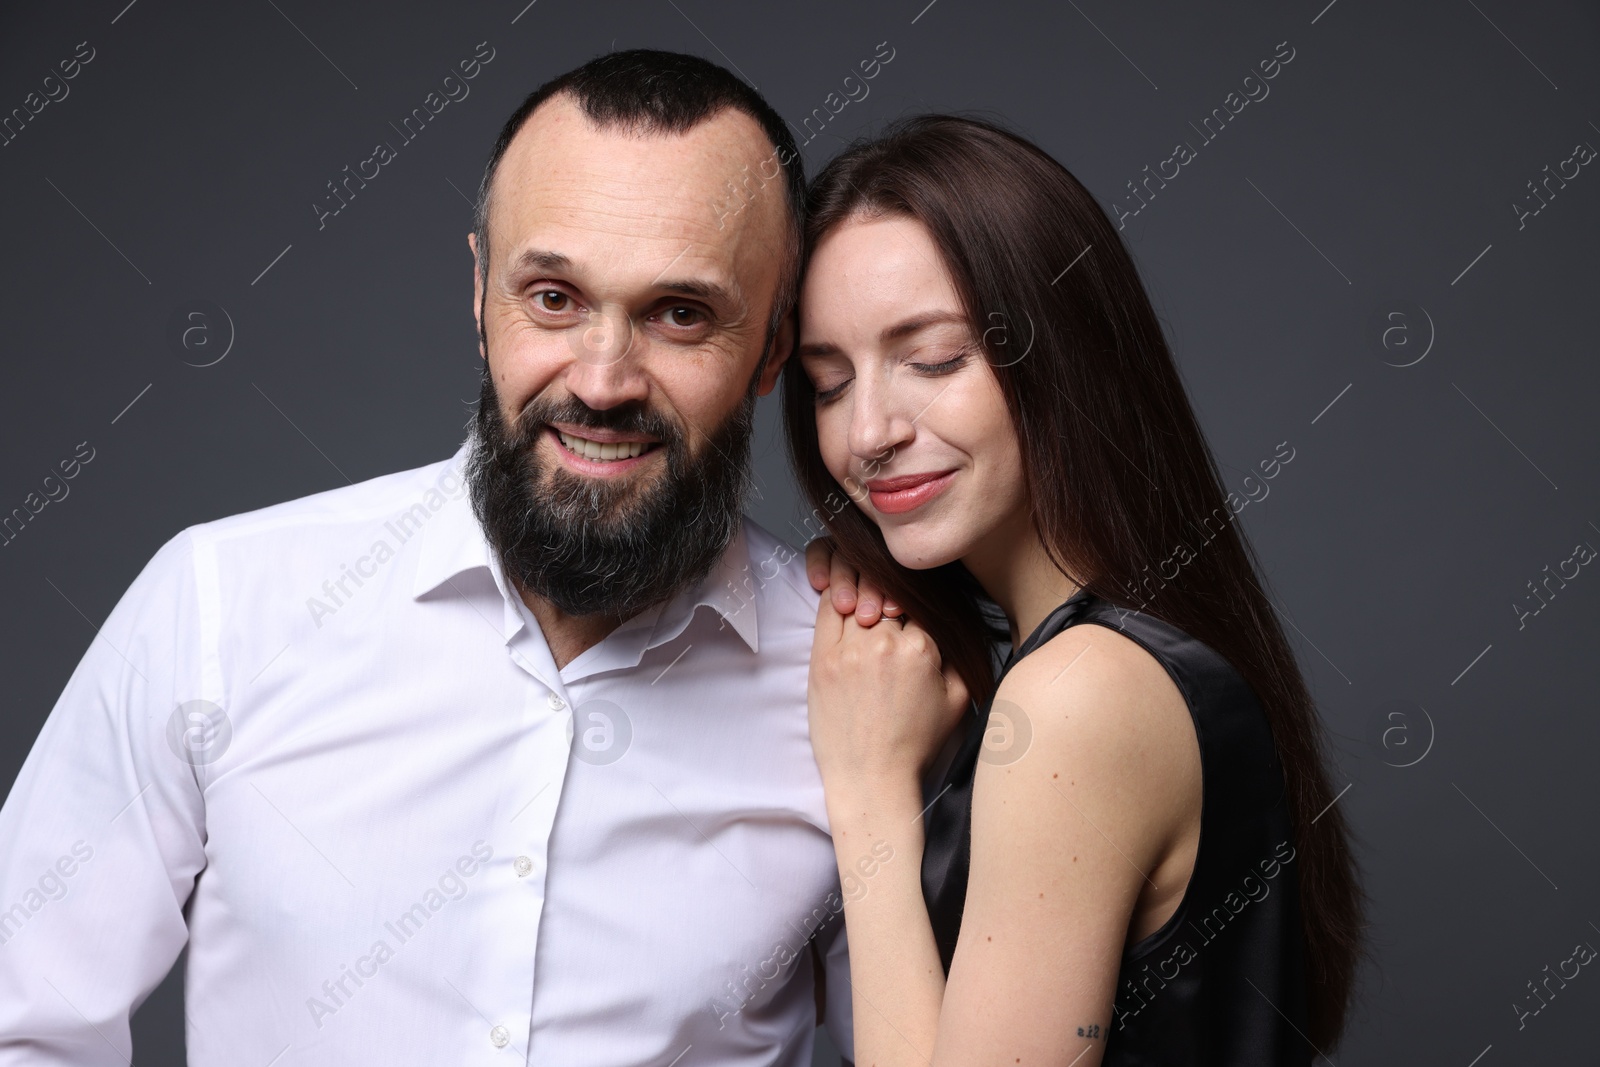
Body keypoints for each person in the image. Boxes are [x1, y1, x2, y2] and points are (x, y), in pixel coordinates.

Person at [0, 51, 857, 1066]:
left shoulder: (855, 679)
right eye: (551, 296)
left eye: (681, 314)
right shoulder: (222, 604)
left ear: (770, 347)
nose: (601, 377)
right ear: (481, 293)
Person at [784, 115, 1363, 1065]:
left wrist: (870, 793)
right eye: (829, 381)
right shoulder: (1138, 655)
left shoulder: (1077, 696)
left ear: (1058, 349)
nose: (868, 432)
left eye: (932, 359)